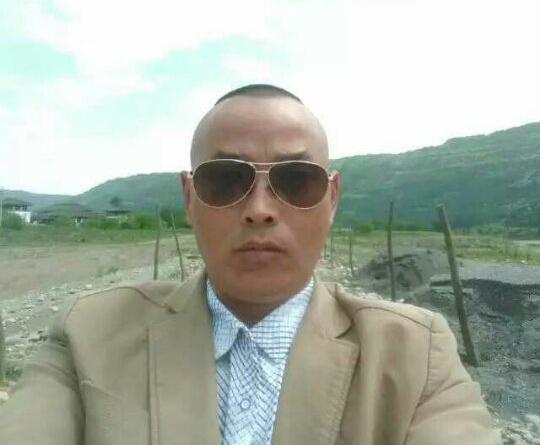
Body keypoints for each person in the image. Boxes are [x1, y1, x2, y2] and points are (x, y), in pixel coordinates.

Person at [0, 84, 501, 444]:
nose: (260, 209)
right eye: (225, 179)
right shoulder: (88, 334)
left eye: (296, 180)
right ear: (190, 198)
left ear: (331, 199)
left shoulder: (415, 355)